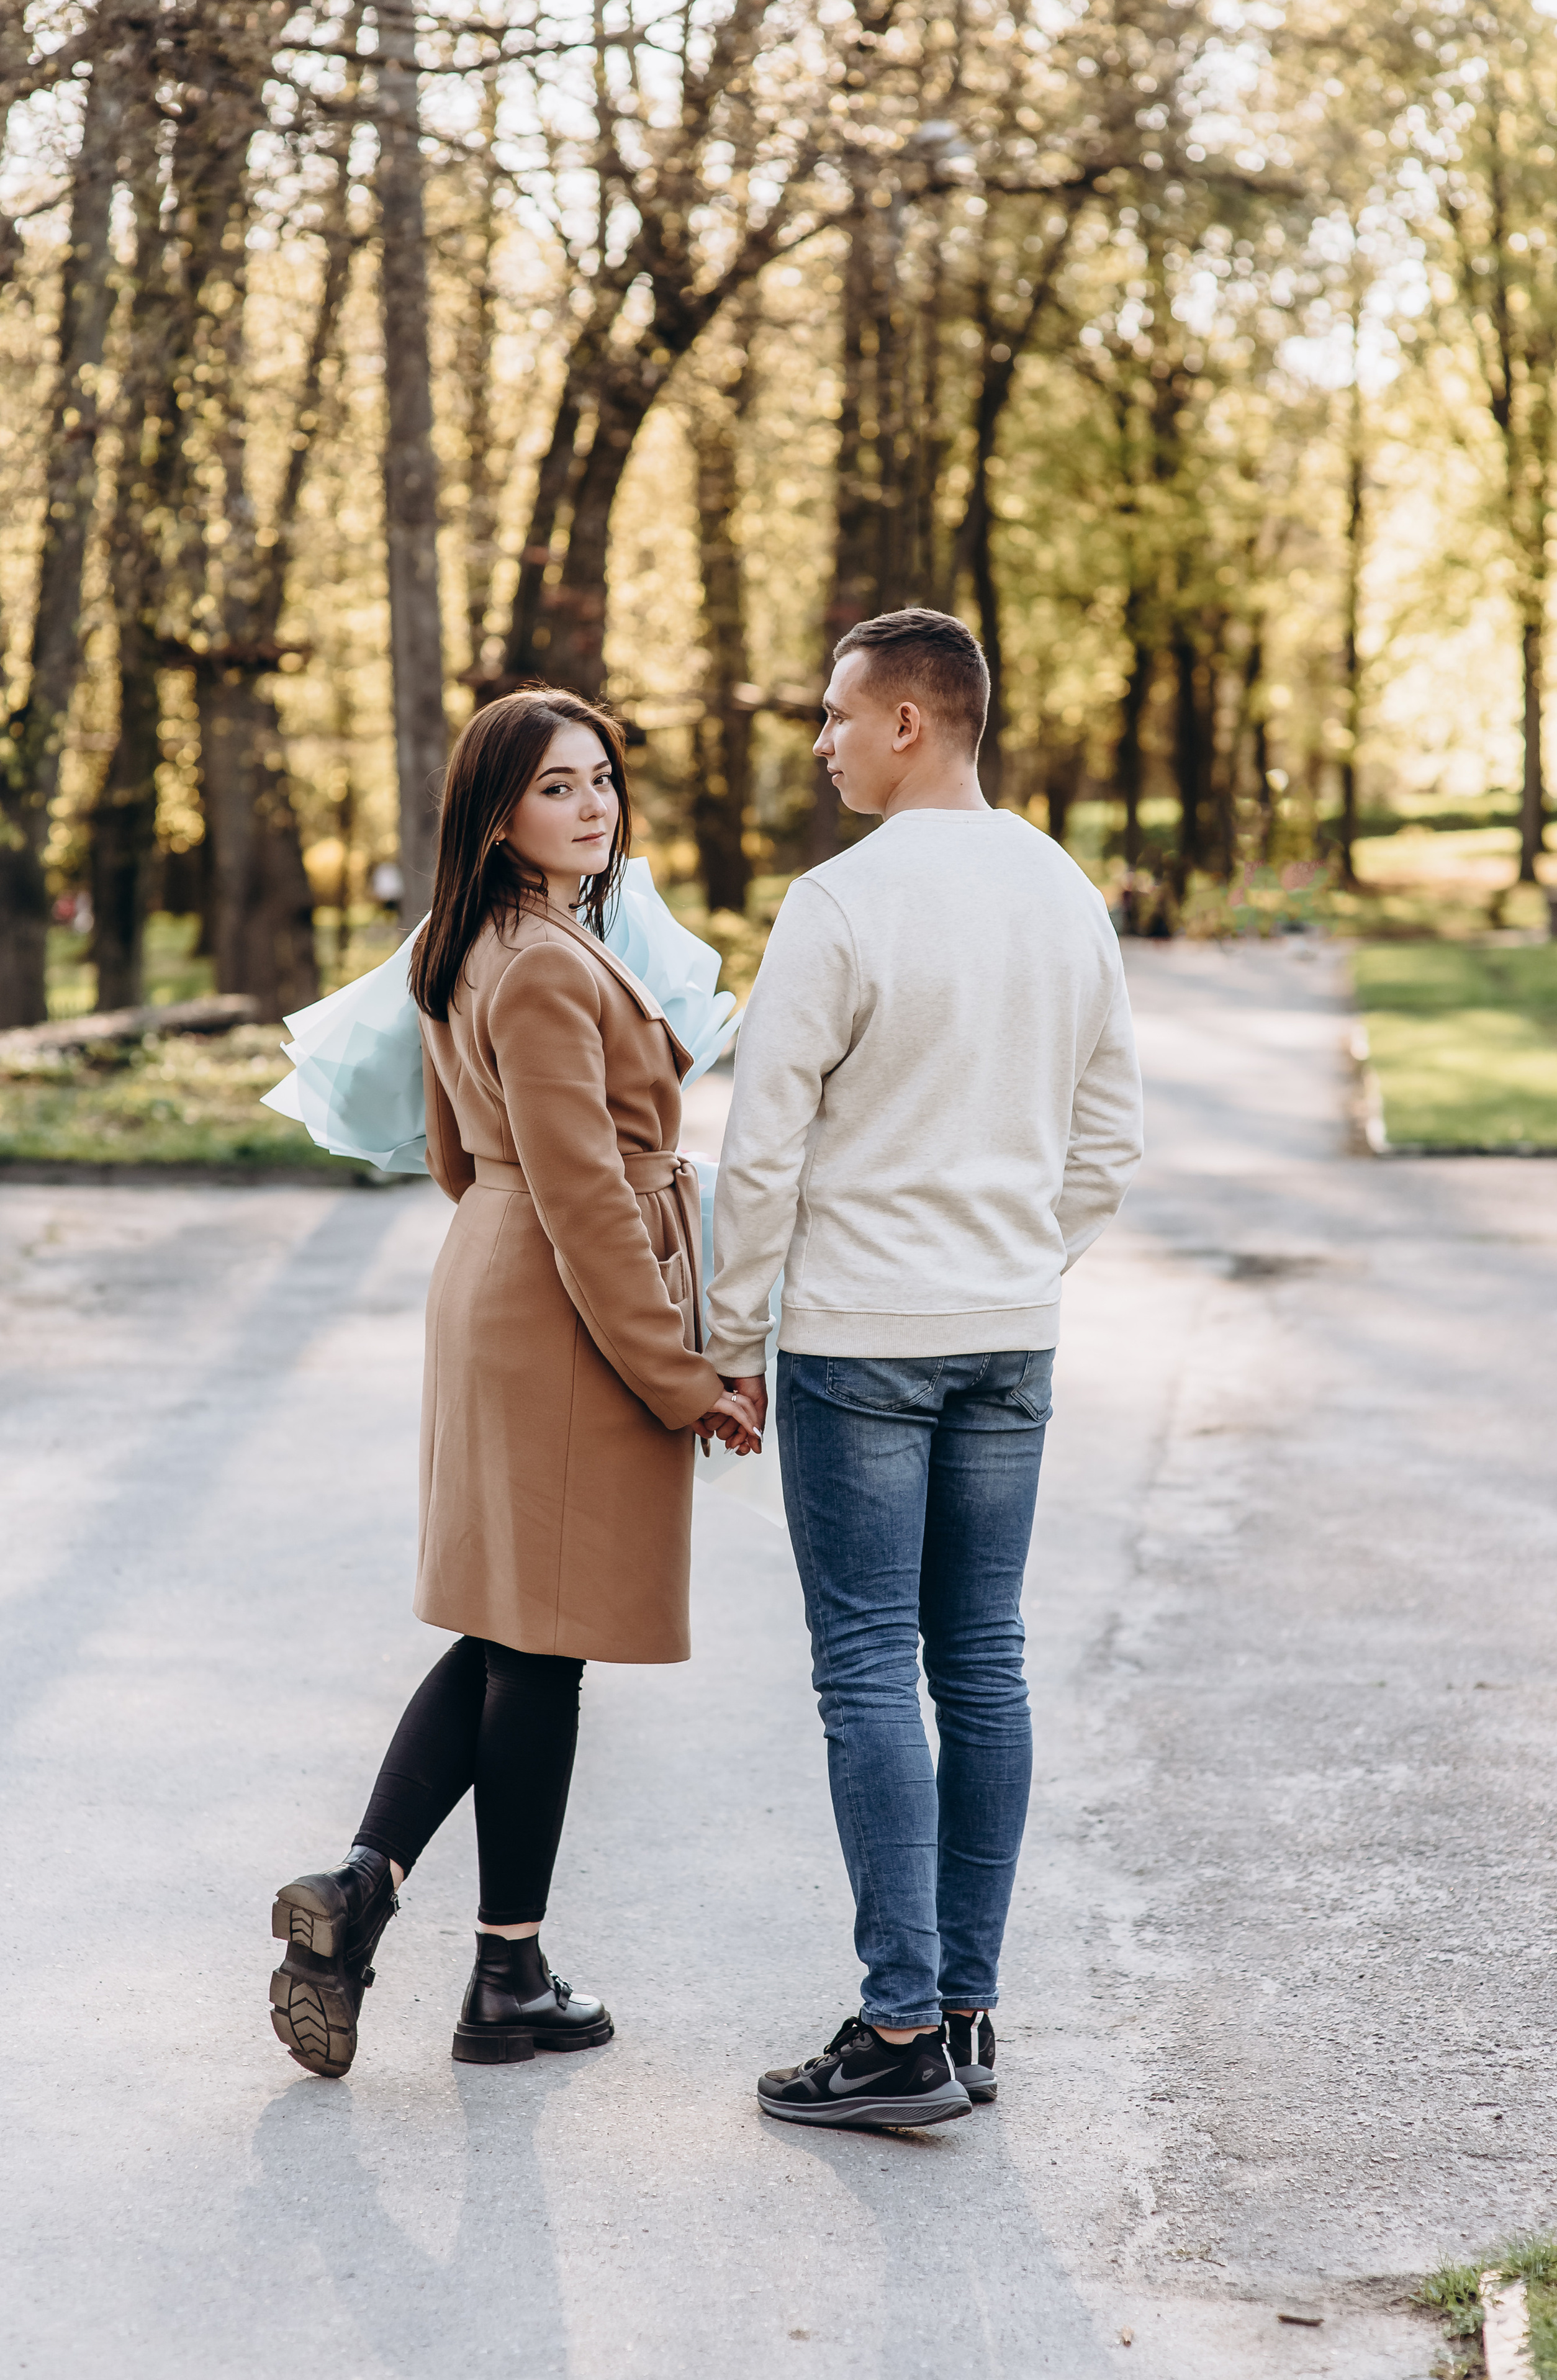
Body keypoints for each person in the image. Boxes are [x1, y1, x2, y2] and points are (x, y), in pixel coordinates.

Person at [269, 688, 759, 2080]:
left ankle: (388, 1901)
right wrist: (681, 1375)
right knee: (541, 1644)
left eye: (601, 780)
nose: (593, 807)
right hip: (559, 1308)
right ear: (496, 813)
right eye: (557, 788)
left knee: (511, 1631)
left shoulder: (469, 944)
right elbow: (585, 1196)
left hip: (491, 1275)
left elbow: (453, 1155)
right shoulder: (543, 965)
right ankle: (499, 1972)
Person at [706, 608, 1144, 2130]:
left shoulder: (839, 905)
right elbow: (1107, 1144)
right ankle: (964, 2011)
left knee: (867, 1664)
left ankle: (895, 2036)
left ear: (910, 721)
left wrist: (726, 1339)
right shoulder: (1062, 891)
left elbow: (758, 1152)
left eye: (835, 714)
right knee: (980, 1662)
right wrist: (1018, 1264)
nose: (820, 739)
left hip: (860, 1342)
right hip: (1006, 1335)